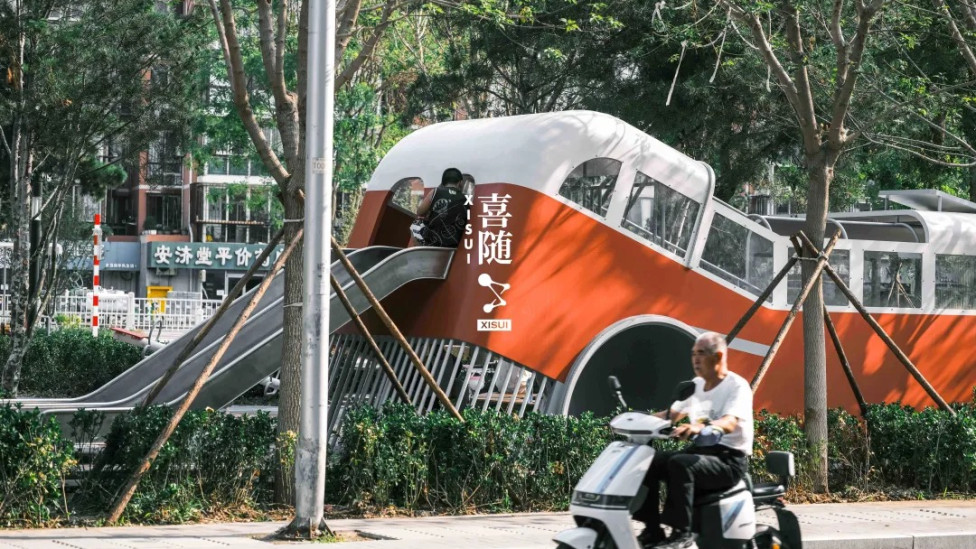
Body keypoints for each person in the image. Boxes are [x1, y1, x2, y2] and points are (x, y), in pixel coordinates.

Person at [633, 331, 754, 548]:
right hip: (701, 453)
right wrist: (635, 421)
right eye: (693, 354)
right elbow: (671, 415)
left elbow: (729, 422)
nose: (695, 359)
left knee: (680, 465)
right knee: (649, 460)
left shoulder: (737, 386)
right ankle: (652, 529)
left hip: (729, 459)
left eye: (701, 353)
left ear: (718, 357)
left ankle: (682, 534)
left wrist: (700, 427)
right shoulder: (696, 385)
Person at [410, 167, 468, 247]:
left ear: (443, 182)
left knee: (416, 224)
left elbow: (420, 212)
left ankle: (421, 250)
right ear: (460, 182)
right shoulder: (465, 198)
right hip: (454, 243)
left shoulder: (436, 191)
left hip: (433, 241)